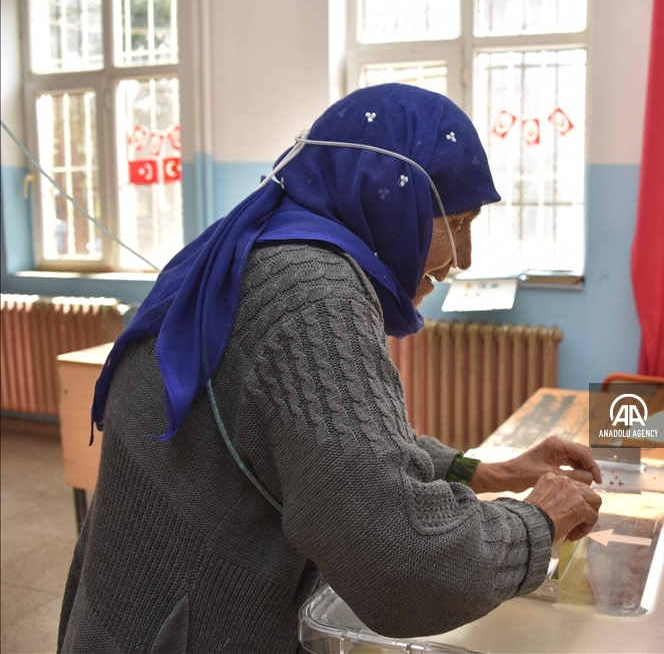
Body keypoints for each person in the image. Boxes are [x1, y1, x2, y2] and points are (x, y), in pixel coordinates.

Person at [57, 84, 603, 652]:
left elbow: (315, 442)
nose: (463, 259)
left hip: (133, 617)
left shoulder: (262, 247)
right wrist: (538, 520)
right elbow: (398, 559)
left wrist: (484, 472)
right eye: (458, 223)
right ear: (394, 197)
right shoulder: (316, 296)